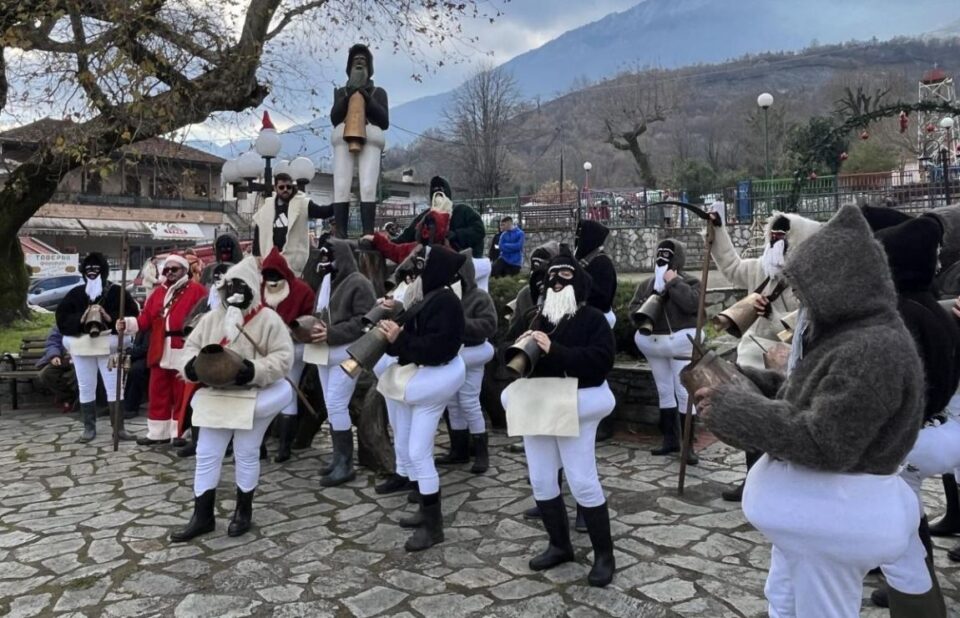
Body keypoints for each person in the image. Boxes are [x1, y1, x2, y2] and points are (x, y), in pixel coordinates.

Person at [696, 205, 925, 618]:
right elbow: (812, 395)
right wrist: (755, 382)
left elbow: (826, 441)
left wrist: (740, 411)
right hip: (818, 523)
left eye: (805, 290)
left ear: (837, 284)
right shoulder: (848, 335)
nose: (799, 300)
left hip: (838, 522)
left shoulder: (872, 349)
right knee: (784, 597)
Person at [859, 208, 958, 613]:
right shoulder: (937, 308)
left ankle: (912, 582)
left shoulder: (899, 314)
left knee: (888, 485)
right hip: (950, 429)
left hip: (930, 435)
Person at [501, 249, 617, 588]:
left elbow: (600, 362)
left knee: (581, 480)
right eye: (551, 277)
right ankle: (559, 544)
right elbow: (502, 352)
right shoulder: (535, 317)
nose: (555, 283)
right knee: (540, 479)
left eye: (564, 276)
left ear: (577, 283)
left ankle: (604, 555)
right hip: (538, 404)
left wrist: (556, 350)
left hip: (576, 404)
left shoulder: (592, 319)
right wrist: (519, 345)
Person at [171, 256, 294, 542]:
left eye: (240, 285)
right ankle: (202, 516)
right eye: (229, 286)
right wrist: (191, 367)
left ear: (252, 286)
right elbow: (191, 347)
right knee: (206, 454)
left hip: (251, 396)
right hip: (216, 396)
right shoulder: (213, 318)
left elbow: (283, 358)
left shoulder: (268, 320)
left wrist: (252, 370)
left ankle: (243, 511)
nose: (234, 291)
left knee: (246, 452)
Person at [706, 202, 821, 502]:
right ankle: (753, 481)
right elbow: (731, 267)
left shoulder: (810, 282)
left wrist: (769, 315)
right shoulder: (761, 267)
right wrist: (718, 231)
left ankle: (779, 484)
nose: (776, 242)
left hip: (785, 363)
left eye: (783, 238)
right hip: (750, 356)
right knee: (750, 421)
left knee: (779, 423)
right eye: (774, 236)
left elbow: (802, 331)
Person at [377, 245, 466, 552]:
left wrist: (399, 339)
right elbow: (410, 340)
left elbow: (438, 348)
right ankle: (425, 510)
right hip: (426, 376)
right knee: (412, 446)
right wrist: (393, 336)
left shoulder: (446, 304)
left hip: (435, 379)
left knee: (418, 451)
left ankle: (434, 526)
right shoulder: (430, 296)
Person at [119, 254, 208, 445]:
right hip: (160, 348)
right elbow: (145, 319)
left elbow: (203, 319)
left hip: (183, 346)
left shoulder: (197, 291)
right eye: (166, 269)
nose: (169, 273)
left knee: (180, 392)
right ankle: (158, 433)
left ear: (184, 270)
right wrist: (126, 323)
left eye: (174, 269)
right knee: (158, 391)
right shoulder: (158, 293)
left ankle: (179, 433)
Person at [309, 238, 376, 486]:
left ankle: (346, 463)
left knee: (337, 403)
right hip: (324, 353)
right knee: (331, 404)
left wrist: (332, 333)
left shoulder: (358, 282)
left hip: (348, 354)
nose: (325, 262)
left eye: (329, 257)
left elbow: (365, 321)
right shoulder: (327, 282)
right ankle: (339, 458)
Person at [629, 239, 700, 465]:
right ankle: (670, 440)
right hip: (655, 343)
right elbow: (633, 310)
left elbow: (692, 305)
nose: (662, 258)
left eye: (668, 254)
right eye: (659, 253)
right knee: (664, 390)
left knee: (684, 392)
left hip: (681, 343)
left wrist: (674, 283)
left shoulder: (691, 281)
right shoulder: (647, 284)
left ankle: (688, 446)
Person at [56, 252, 139, 442]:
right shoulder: (75, 294)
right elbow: (62, 319)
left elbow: (131, 314)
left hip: (108, 346)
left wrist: (110, 318)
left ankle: (118, 429)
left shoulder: (117, 292)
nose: (92, 272)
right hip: (83, 347)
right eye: (88, 269)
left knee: (115, 386)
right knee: (86, 387)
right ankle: (89, 428)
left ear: (103, 271)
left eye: (96, 269)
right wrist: (82, 318)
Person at [436, 251, 498, 473]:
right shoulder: (447, 296)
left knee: (469, 402)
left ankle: (482, 453)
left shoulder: (480, 297)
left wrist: (460, 324)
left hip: (473, 353)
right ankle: (459, 450)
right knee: (453, 403)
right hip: (452, 355)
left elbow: (490, 326)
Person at [260, 248, 317, 464]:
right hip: (265, 351)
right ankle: (260, 444)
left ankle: (284, 446)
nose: (272, 282)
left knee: (288, 392)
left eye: (276, 277)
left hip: (294, 349)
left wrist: (291, 330)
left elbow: (310, 321)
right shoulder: (260, 290)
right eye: (268, 277)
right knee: (263, 393)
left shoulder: (302, 290)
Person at [329, 43, 389, 236]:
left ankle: (368, 233)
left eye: (363, 61)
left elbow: (384, 120)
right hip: (343, 140)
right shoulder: (340, 92)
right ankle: (341, 232)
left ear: (369, 67)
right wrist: (348, 97)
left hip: (370, 137)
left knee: (368, 186)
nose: (359, 63)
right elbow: (334, 117)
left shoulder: (378, 92)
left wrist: (365, 97)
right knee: (341, 186)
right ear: (349, 66)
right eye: (356, 61)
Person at [390, 177, 490, 290]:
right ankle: (395, 281)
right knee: (417, 252)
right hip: (433, 262)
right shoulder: (427, 216)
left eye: (441, 193)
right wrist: (386, 242)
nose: (438, 198)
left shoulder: (463, 211)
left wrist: (456, 235)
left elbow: (479, 230)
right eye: (434, 194)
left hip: (462, 261)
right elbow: (407, 236)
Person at [252, 173, 333, 276]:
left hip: (293, 262)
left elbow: (322, 212)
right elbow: (258, 228)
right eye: (281, 187)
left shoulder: (302, 204)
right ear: (275, 188)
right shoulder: (267, 208)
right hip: (271, 260)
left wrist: (340, 204)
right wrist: (257, 253)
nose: (285, 189)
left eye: (288, 187)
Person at [574, 220, 617, 327]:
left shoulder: (602, 264)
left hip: (598, 319)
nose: (577, 241)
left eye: (581, 236)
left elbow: (603, 298)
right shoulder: (586, 261)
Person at [36, 324, 77, 412]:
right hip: (62, 359)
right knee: (46, 373)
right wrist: (54, 356)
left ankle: (75, 401)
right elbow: (52, 343)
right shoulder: (61, 324)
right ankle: (67, 398)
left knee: (76, 375)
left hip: (80, 359)